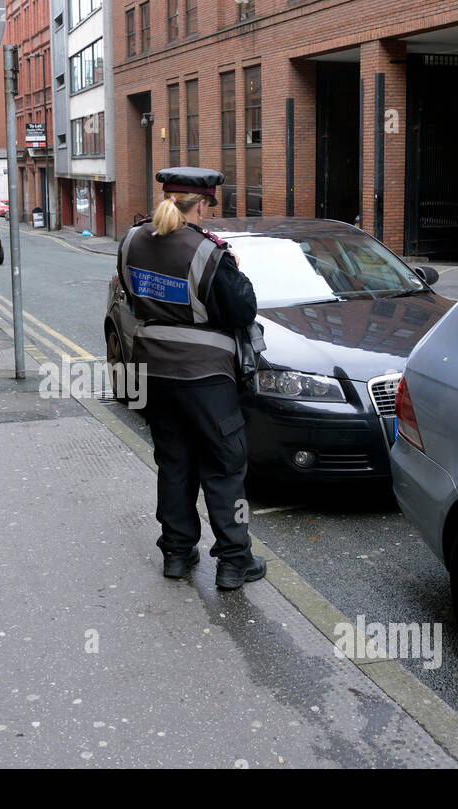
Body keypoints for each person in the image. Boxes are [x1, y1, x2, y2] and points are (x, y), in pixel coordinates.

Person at [116, 167, 266, 590]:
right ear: (201, 204)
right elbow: (243, 311)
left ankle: (177, 554)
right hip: (204, 377)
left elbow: (131, 296)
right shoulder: (209, 252)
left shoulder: (131, 240)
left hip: (151, 370)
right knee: (224, 466)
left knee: (174, 462)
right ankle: (235, 561)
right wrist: (235, 268)